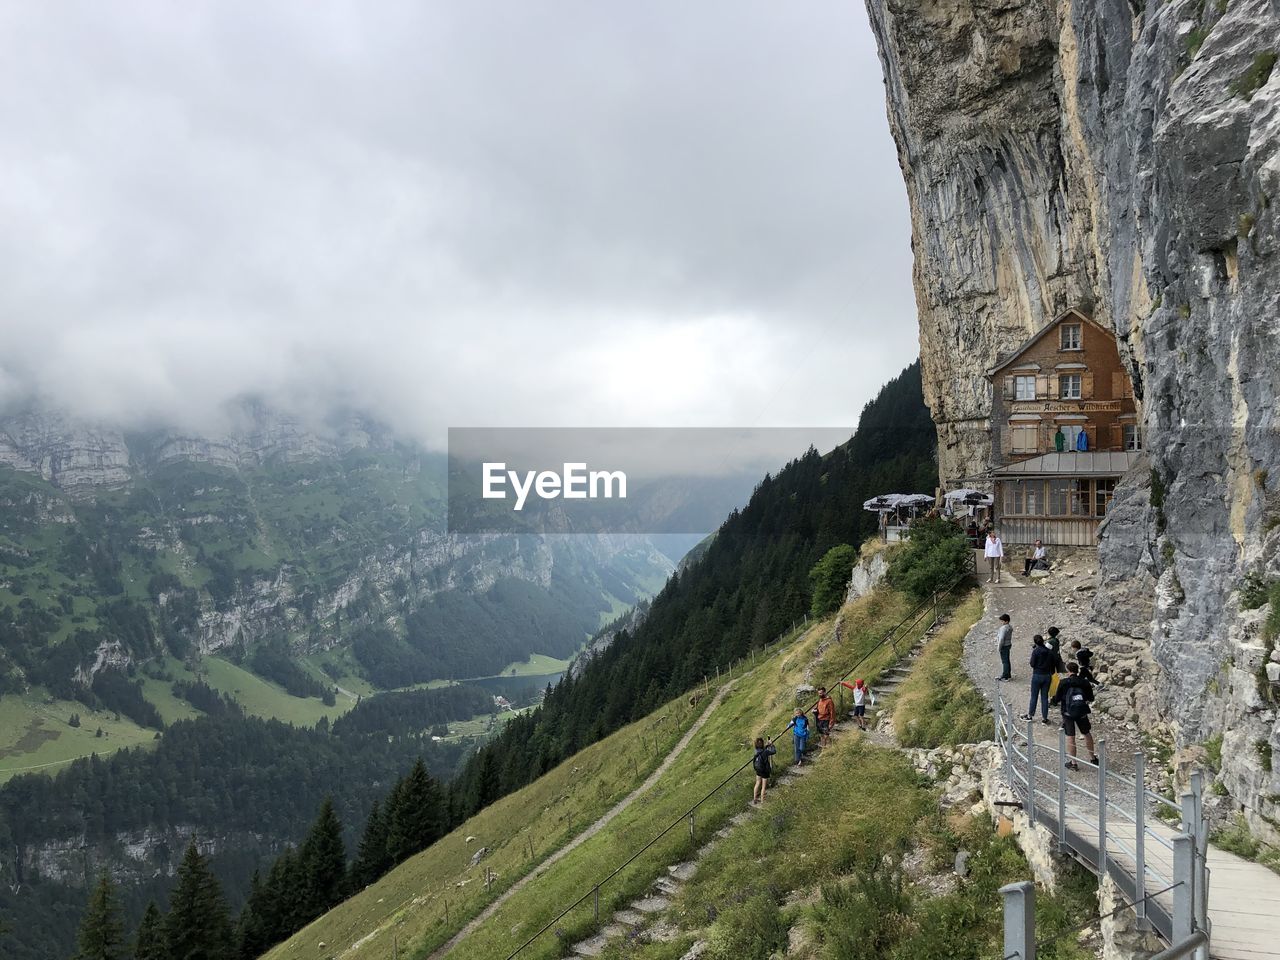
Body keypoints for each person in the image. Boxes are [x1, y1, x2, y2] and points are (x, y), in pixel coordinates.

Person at [1051, 662, 1097, 770]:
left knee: (1071, 736)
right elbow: (1091, 698)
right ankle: (1093, 758)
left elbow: (1057, 699)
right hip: (1081, 712)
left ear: (1068, 671)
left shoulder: (1064, 682)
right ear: (1077, 671)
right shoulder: (1084, 682)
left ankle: (1073, 762)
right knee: (1086, 733)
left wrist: (1053, 700)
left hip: (1068, 713)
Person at [1020, 635, 1056, 724]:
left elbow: (1032, 664)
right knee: (1044, 697)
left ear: (1035, 642)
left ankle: (1030, 715)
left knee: (1034, 696)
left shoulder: (1036, 651)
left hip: (1037, 675)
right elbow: (1053, 664)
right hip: (1047, 676)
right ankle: (1044, 718)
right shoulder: (1049, 651)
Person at [751, 737, 777, 804]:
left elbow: (762, 750)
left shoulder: (756, 751)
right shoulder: (766, 752)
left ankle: (755, 799)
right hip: (765, 771)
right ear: (762, 744)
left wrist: (767, 745)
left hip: (758, 770)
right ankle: (763, 801)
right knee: (763, 786)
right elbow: (774, 751)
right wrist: (772, 745)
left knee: (757, 783)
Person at [996, 614, 1013, 681]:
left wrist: (999, 647)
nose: (1002, 623)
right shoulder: (1010, 627)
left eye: (1003, 621)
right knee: (1007, 660)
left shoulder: (1003, 628)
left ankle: (1005, 676)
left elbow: (1001, 639)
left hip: (1004, 646)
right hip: (1008, 644)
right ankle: (1008, 674)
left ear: (1006, 621)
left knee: (1004, 661)